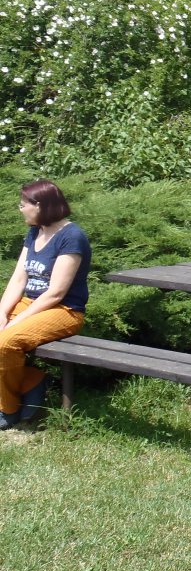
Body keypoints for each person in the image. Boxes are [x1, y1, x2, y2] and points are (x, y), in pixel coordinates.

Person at [0, 180, 91, 430]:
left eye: (23, 205)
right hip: (31, 302)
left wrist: (16, 322)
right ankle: (31, 381)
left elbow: (55, 293)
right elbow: (18, 279)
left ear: (39, 205)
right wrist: (2, 312)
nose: (20, 209)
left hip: (64, 310)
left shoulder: (72, 237)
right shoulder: (35, 231)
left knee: (5, 342)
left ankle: (8, 409)